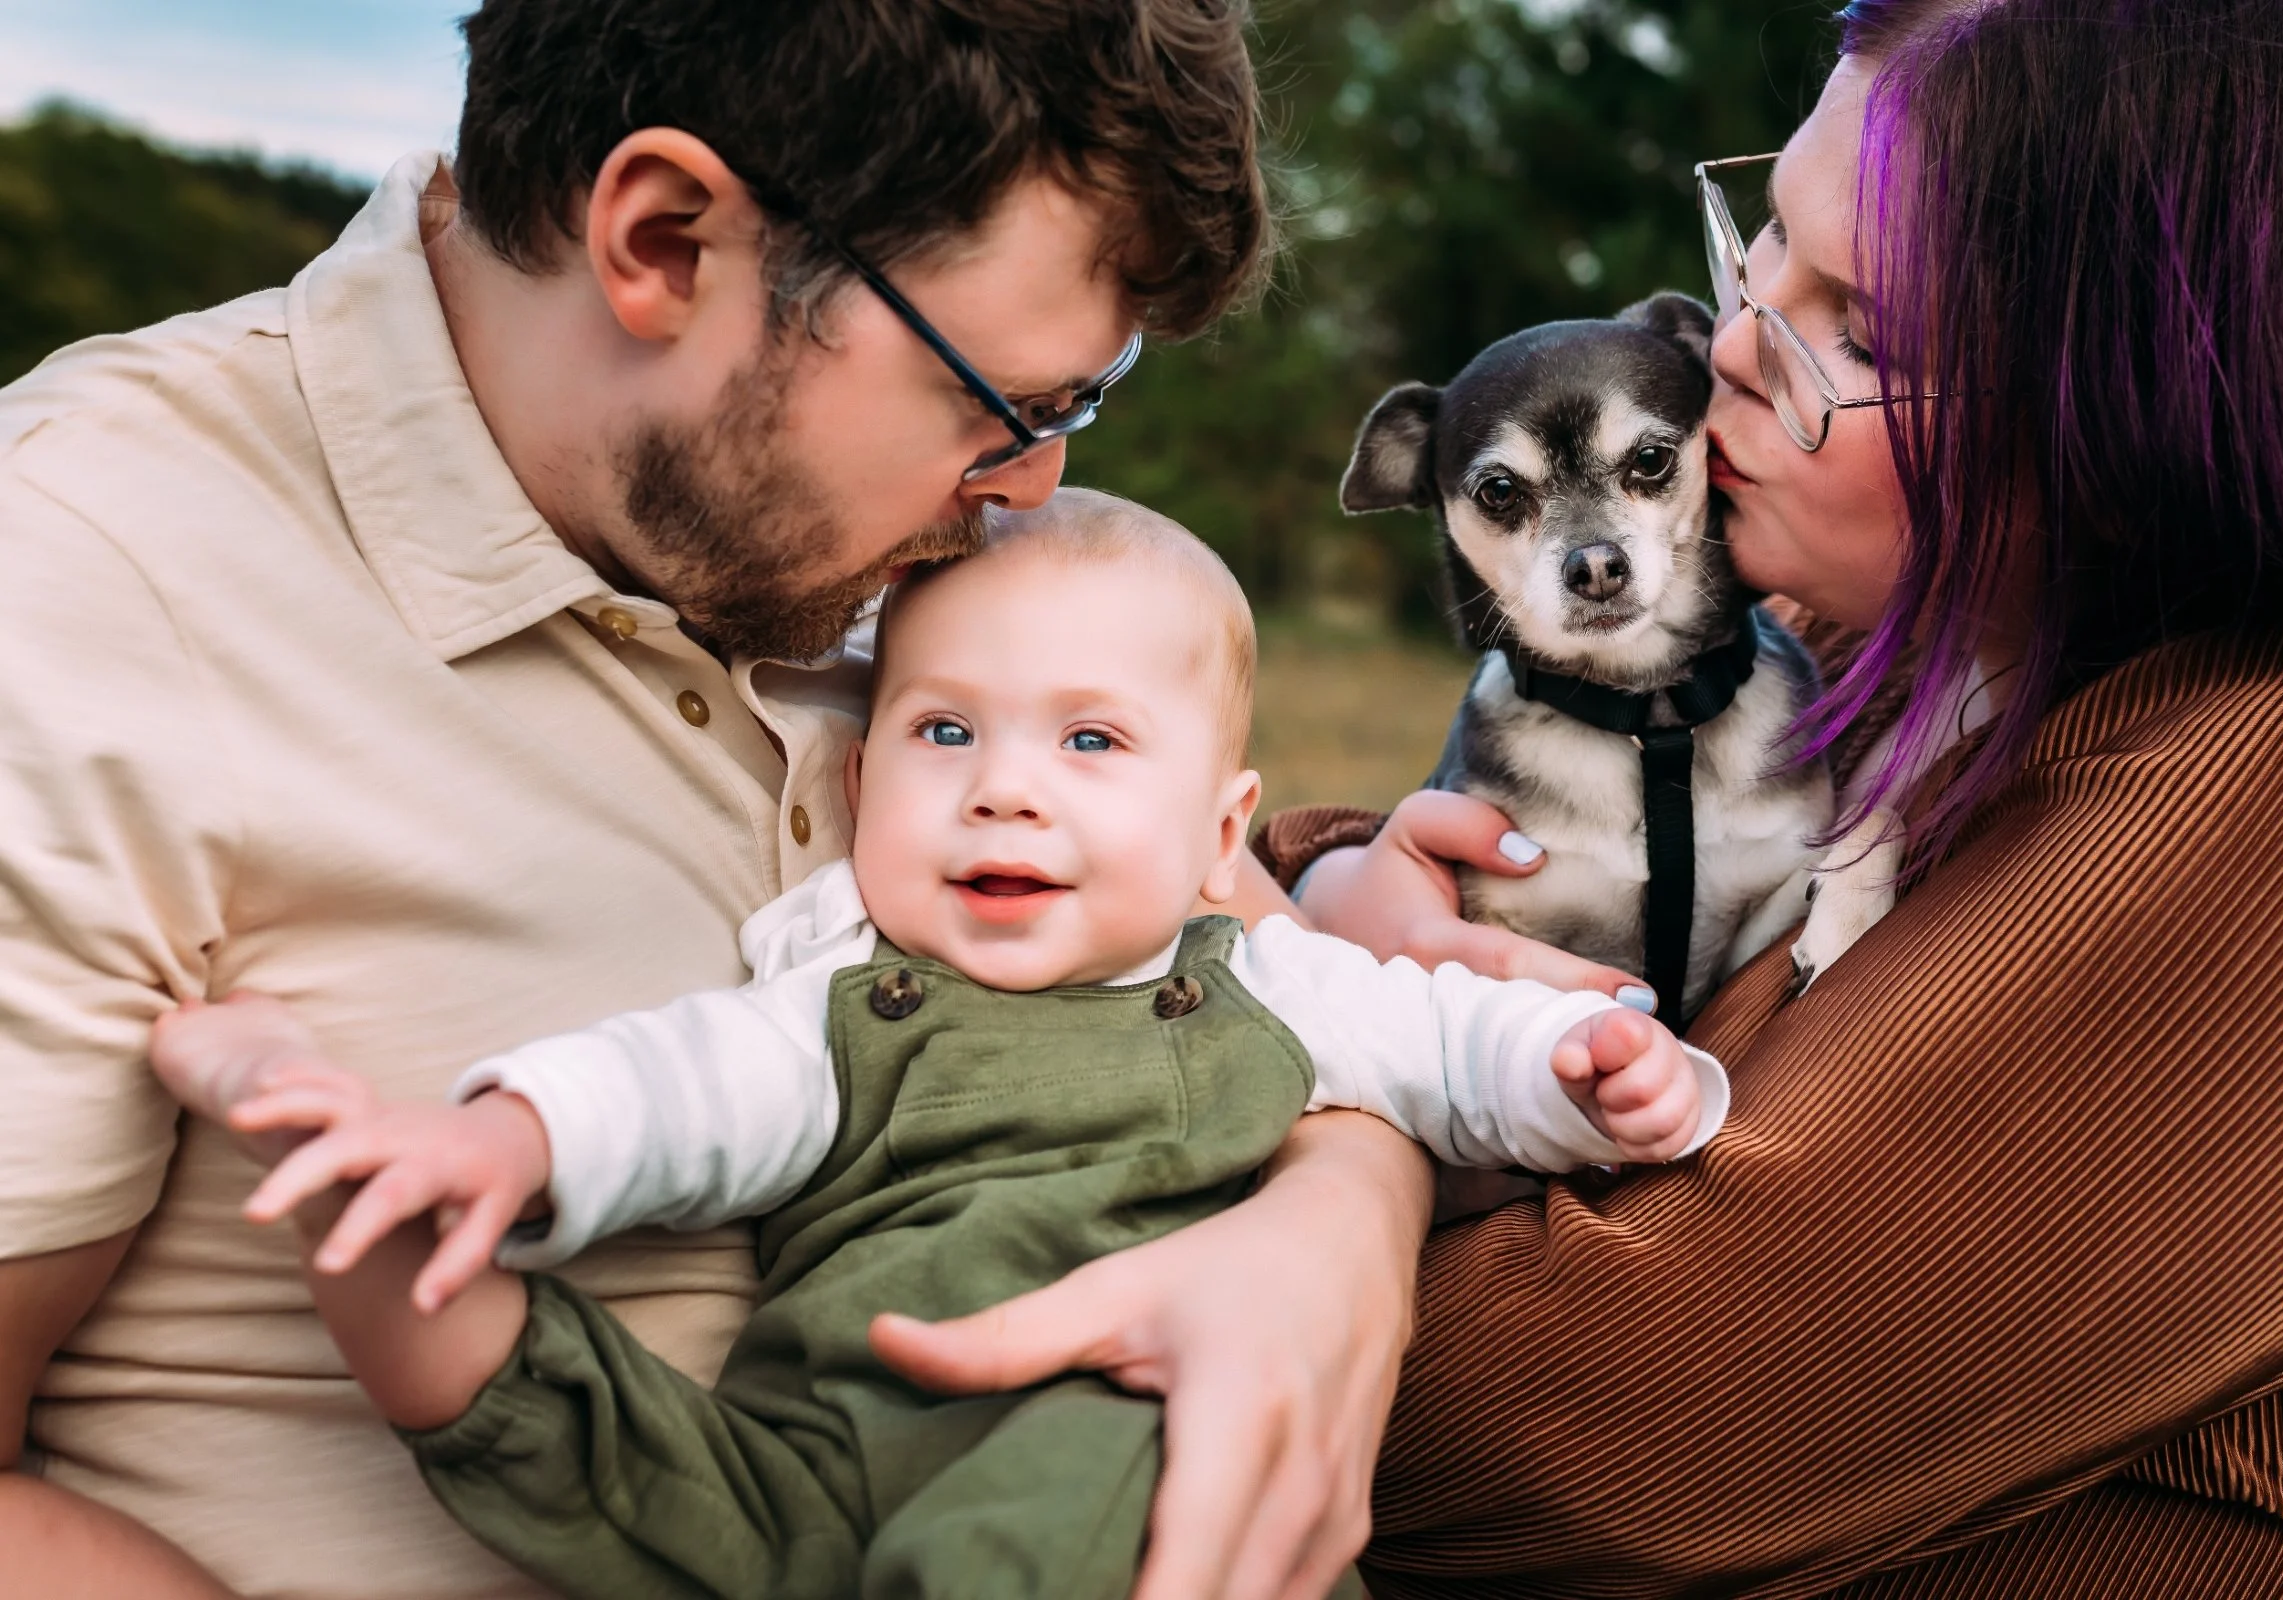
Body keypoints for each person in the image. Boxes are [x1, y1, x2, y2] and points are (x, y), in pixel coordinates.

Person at [861, 0, 2283, 1594]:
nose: (1731, 349)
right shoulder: (1843, 641)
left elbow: (1580, 1444)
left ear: (2153, 416)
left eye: (1858, 335)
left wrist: (1331, 1142)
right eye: (1761, 247)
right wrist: (1336, 893)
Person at [0, 4, 1307, 1596]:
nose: (1028, 489)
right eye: (1005, 403)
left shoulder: (876, 557)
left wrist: (1336, 1241)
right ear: (667, 240)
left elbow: (1260, 984)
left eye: (1076, 409)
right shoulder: (74, 577)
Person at [142, 493, 1722, 1600]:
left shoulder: (1259, 982)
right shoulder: (843, 993)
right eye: (944, 730)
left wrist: (1588, 1068)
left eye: (1091, 742)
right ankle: (332, 1151)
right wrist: (499, 1143)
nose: (1004, 789)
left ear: (1218, 830)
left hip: (1103, 1449)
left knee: (1073, 1522)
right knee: (512, 1397)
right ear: (861, 782)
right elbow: (684, 1086)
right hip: (805, 1474)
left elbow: (1444, 1044)